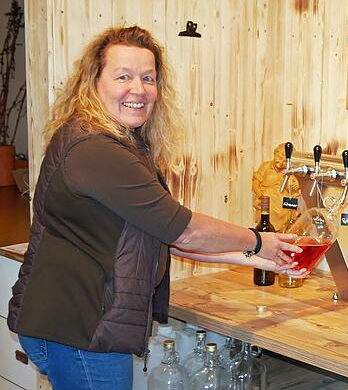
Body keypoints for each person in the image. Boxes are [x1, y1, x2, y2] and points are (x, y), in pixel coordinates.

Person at [6, 26, 307, 389]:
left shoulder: (120, 145)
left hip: (71, 326)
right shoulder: (95, 150)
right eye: (123, 76)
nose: (139, 89)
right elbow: (184, 228)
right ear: (93, 83)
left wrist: (256, 259)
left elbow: (165, 235)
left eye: (148, 78)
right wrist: (260, 240)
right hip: (79, 331)